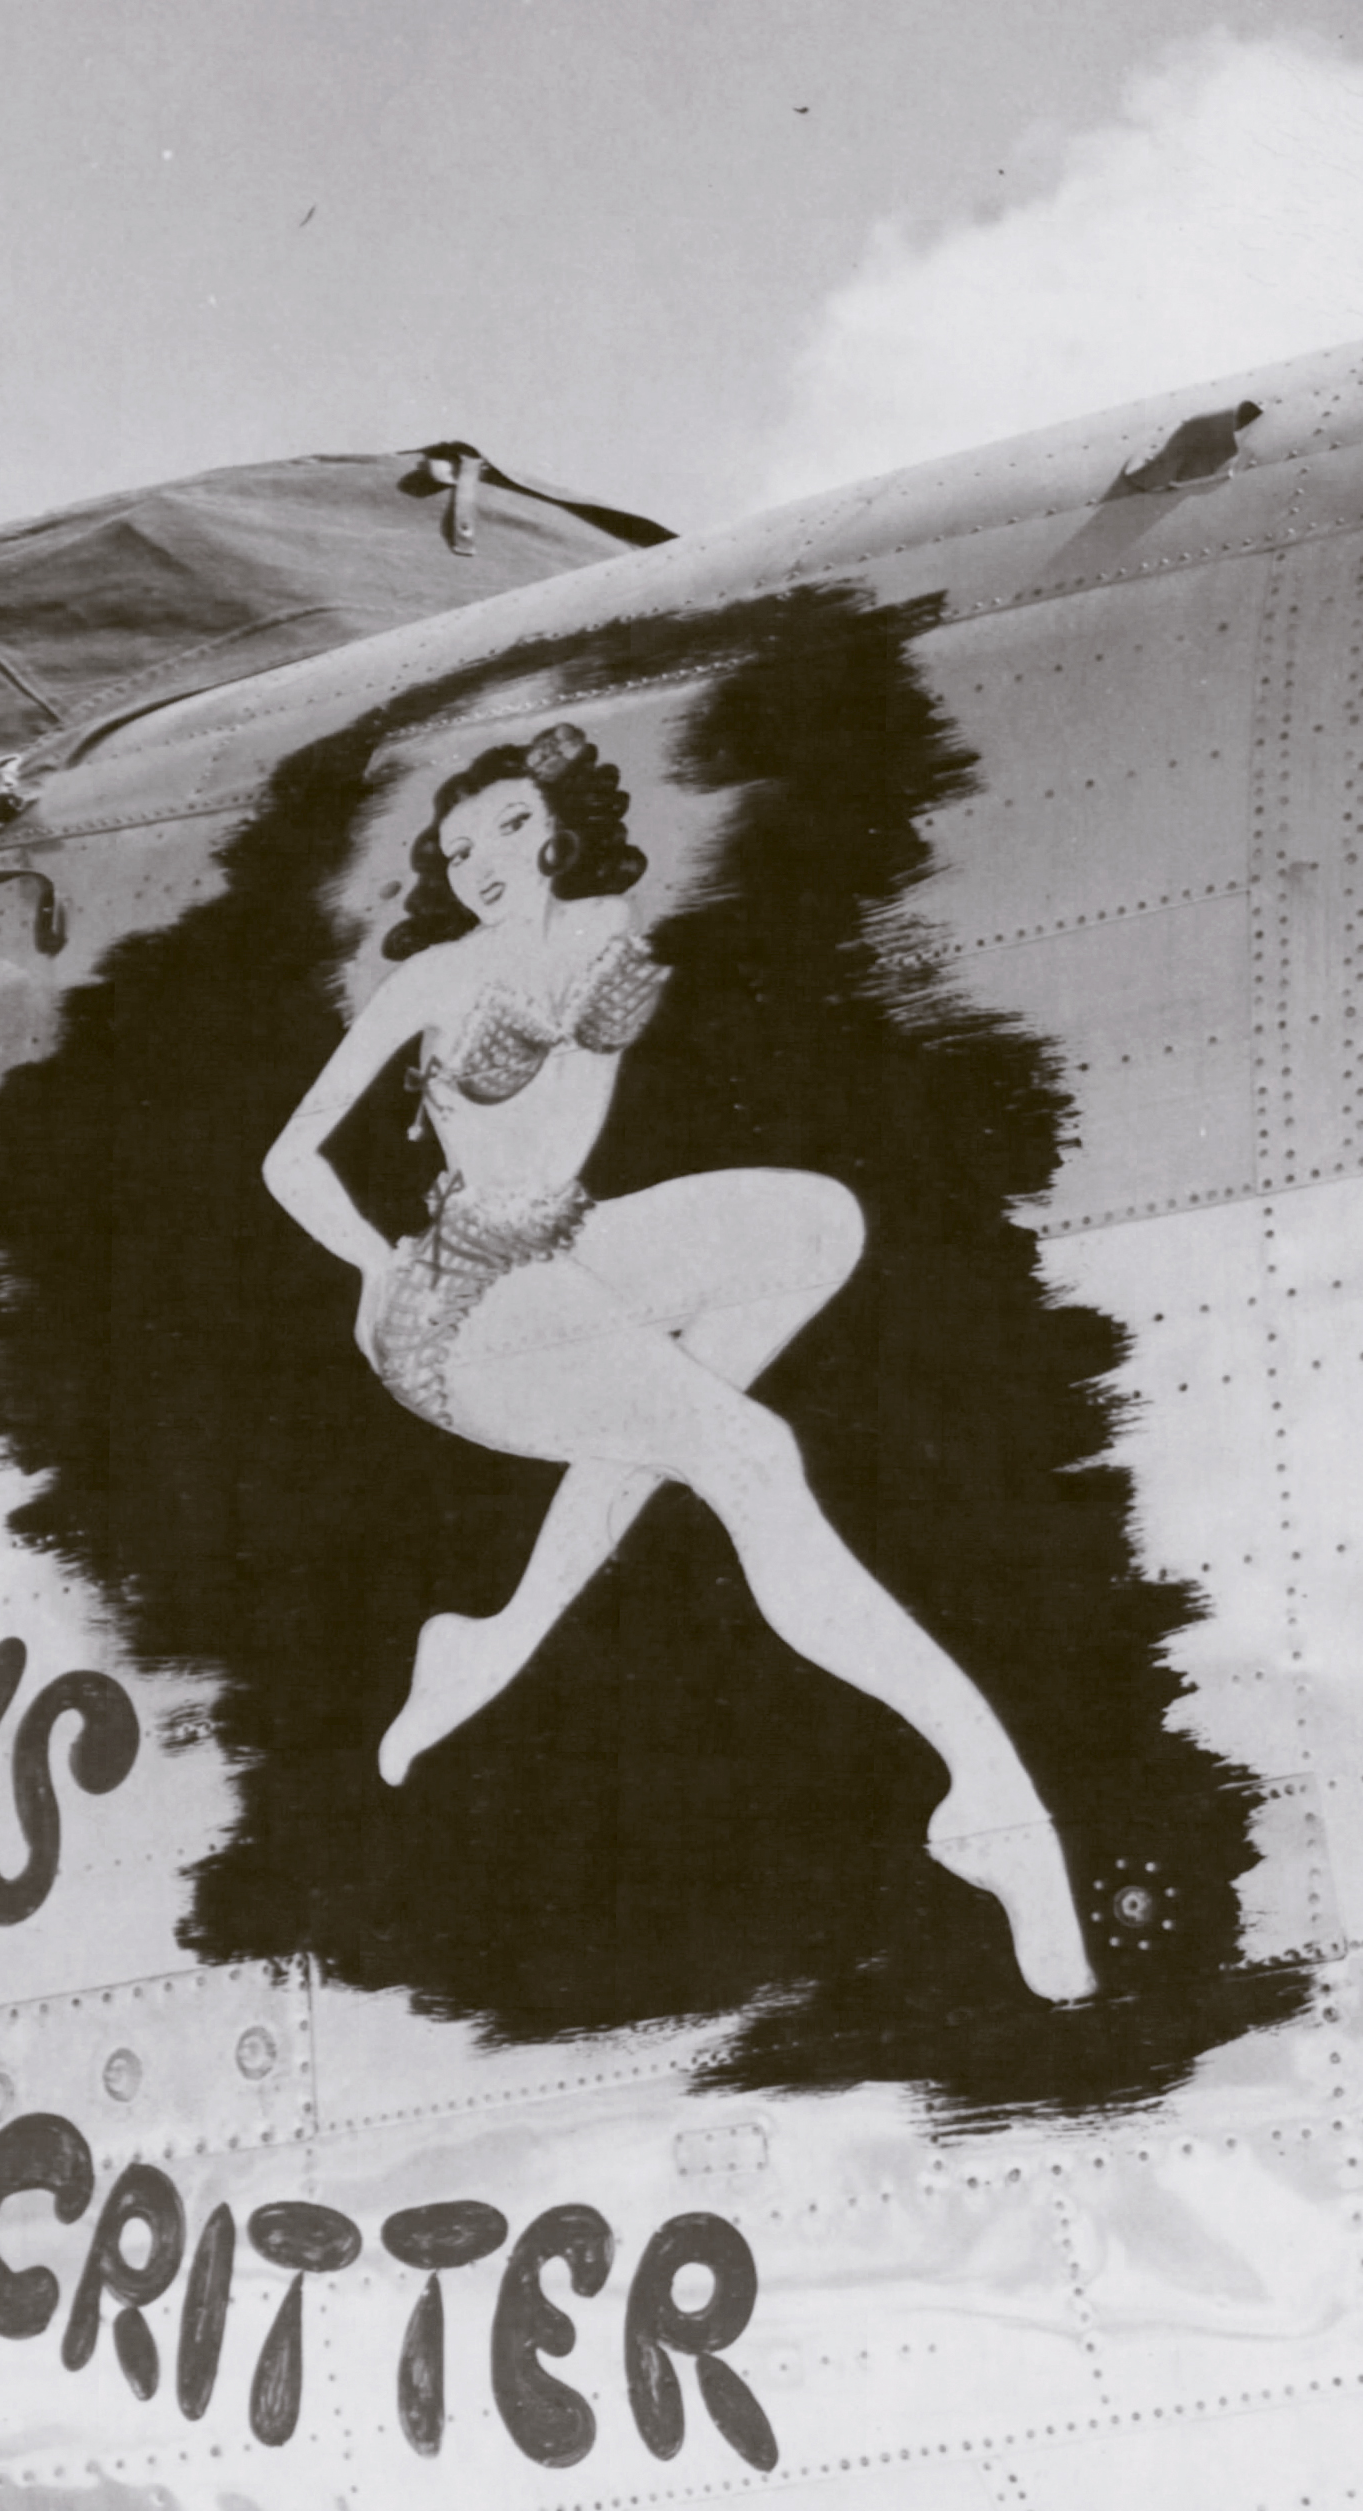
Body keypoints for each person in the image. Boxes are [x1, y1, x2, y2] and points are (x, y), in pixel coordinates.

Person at [260, 721, 1096, 2006]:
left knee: (815, 1225)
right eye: (461, 844)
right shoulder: (429, 984)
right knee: (744, 1451)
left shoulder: (609, 926)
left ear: (558, 828)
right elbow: (290, 1159)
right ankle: (988, 1803)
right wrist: (375, 1266)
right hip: (458, 1313)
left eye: (512, 828)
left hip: (564, 1254)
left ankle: (498, 1641)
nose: (486, 860)